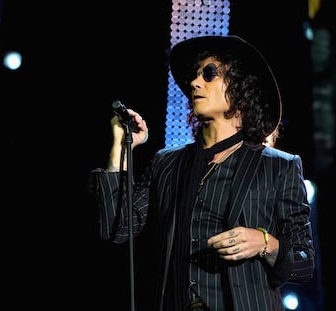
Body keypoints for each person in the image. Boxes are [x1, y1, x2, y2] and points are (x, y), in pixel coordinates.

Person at [90, 35, 315, 311]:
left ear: (241, 87)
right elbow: (117, 228)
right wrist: (119, 149)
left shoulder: (279, 166)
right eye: (195, 75)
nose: (196, 82)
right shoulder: (167, 163)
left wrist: (264, 242)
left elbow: (303, 265)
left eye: (209, 74)